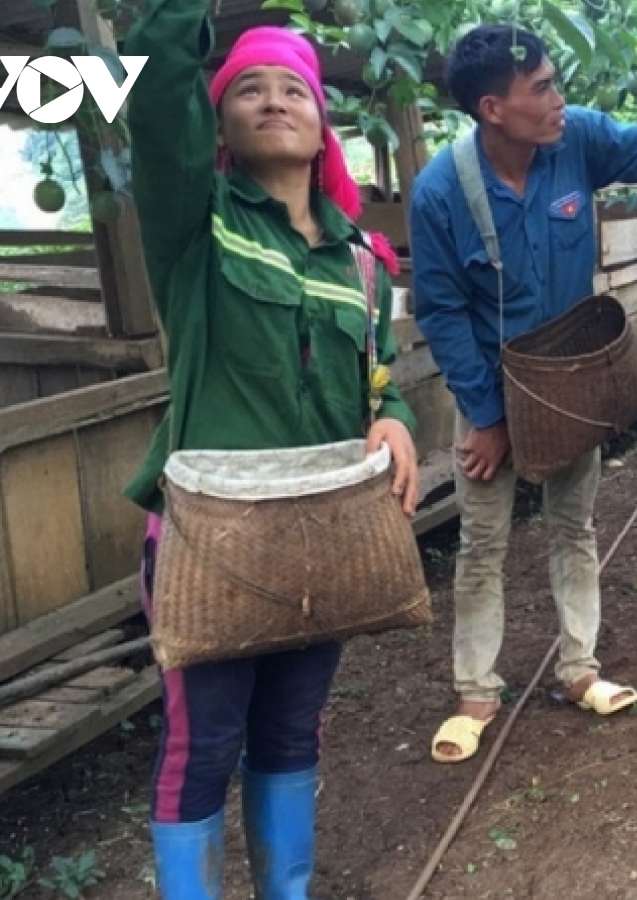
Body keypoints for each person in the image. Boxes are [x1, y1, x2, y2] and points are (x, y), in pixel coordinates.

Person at [121, 0, 420, 895]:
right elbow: (156, 90)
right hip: (212, 539)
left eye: (294, 88)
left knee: (293, 730)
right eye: (247, 88)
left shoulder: (360, 260)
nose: (274, 100)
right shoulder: (196, 222)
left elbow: (380, 376)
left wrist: (395, 416)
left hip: (322, 537)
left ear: (322, 123)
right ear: (218, 122)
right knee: (203, 740)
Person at [409, 24, 637, 764]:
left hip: (569, 384)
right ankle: (476, 691)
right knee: (482, 542)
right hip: (490, 388)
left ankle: (579, 669)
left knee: (573, 526)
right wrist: (487, 417)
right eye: (541, 88)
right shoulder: (442, 191)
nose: (559, 99)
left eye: (555, 81)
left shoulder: (578, 140)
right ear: (492, 109)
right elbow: (441, 312)